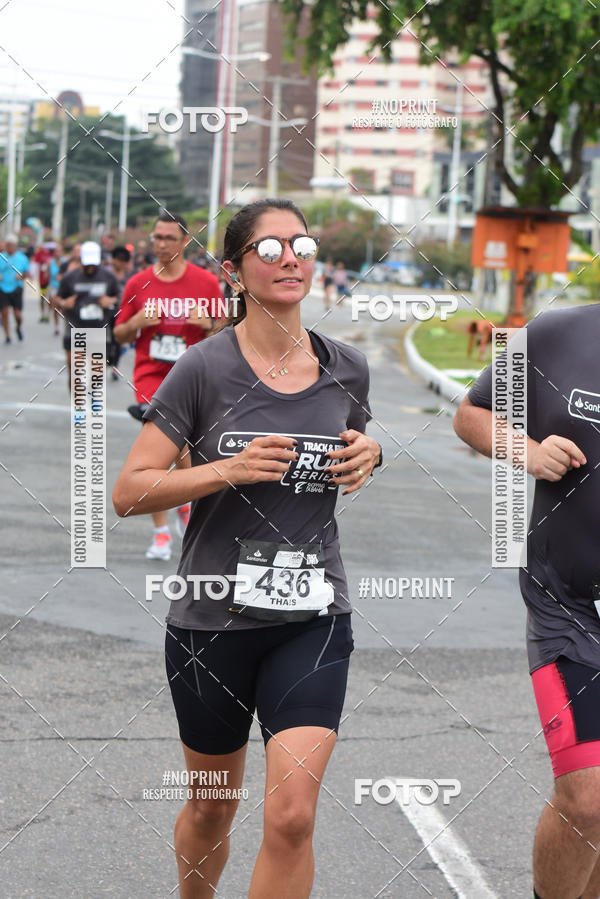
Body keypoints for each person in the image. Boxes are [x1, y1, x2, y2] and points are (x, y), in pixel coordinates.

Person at [112, 198, 382, 899]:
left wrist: (370, 456)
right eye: (269, 249)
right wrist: (226, 467)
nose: (291, 257)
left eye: (302, 244)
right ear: (234, 270)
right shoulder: (204, 369)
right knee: (211, 805)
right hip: (210, 621)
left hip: (314, 615)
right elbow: (130, 490)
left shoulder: (346, 369)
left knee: (292, 815)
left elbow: (354, 444)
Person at [453, 305, 600, 899]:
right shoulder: (558, 333)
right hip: (569, 604)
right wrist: (527, 451)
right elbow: (470, 416)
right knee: (587, 798)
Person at [112, 212, 223, 561]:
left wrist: (206, 324)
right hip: (151, 377)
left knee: (180, 449)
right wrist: (136, 323)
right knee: (158, 451)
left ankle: (183, 502)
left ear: (185, 242)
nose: (160, 244)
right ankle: (165, 530)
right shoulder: (138, 283)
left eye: (168, 239)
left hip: (193, 376)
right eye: (157, 237)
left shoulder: (206, 283)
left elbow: (224, 332)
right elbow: (117, 333)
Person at [53, 241, 119, 390]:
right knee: (75, 371)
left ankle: (91, 405)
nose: (90, 268)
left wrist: (110, 301)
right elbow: (56, 300)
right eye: (86, 264)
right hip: (75, 328)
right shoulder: (69, 277)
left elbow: (120, 297)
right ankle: (77, 406)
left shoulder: (108, 277)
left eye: (93, 265)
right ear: (80, 260)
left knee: (96, 374)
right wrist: (64, 303)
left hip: (99, 329)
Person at [105, 245, 133, 380]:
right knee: (106, 340)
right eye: (117, 260)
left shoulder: (128, 277)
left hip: (122, 312)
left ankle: (115, 368)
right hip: (106, 312)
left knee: (118, 341)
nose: (119, 263)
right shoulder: (106, 274)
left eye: (122, 261)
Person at [0, 234, 30, 344]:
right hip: (2, 287)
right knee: (5, 312)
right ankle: (7, 335)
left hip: (17, 287)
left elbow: (28, 273)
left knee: (18, 314)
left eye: (12, 245)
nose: (10, 247)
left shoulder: (22, 258)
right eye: (8, 245)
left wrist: (21, 275)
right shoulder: (1, 257)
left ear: (15, 246)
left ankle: (18, 327)